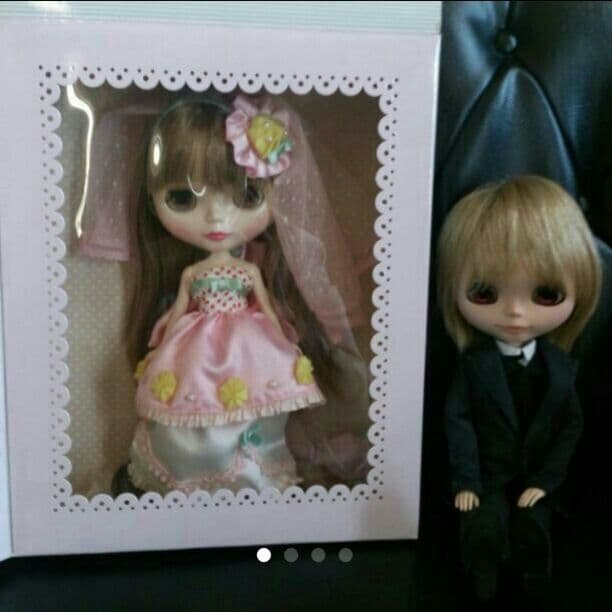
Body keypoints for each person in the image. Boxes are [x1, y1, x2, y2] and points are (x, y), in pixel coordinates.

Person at [109, 93, 366, 495]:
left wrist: (282, 338)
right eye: (183, 198)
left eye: (246, 197)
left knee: (255, 404)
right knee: (191, 400)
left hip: (249, 343)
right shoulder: (193, 272)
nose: (216, 217)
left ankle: (251, 470)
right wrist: (163, 347)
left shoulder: (248, 270)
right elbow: (179, 307)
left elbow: (263, 303)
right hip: (195, 345)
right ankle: (194, 470)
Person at [436, 175, 602, 602]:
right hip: (486, 476)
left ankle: (533, 575)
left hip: (540, 479)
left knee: (534, 526)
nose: (514, 312)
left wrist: (547, 481)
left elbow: (570, 429)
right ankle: (483, 574)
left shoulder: (561, 370)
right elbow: (458, 425)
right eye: (484, 292)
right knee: (482, 525)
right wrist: (466, 482)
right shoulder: (472, 368)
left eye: (545, 294)